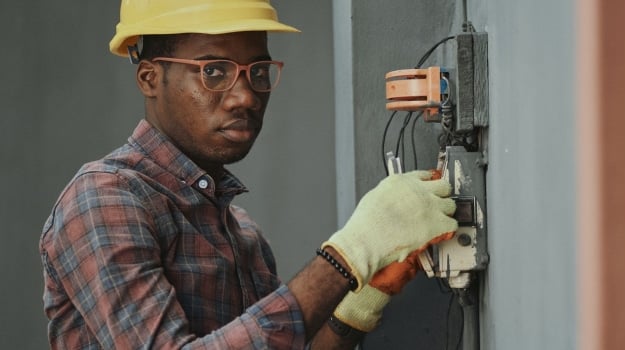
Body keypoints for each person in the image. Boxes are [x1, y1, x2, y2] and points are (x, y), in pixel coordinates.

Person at [38, 1, 458, 349]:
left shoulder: (241, 234)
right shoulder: (105, 199)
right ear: (150, 78)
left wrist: (360, 304)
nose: (245, 96)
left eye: (258, 72)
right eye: (214, 72)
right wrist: (347, 256)